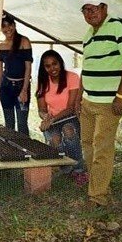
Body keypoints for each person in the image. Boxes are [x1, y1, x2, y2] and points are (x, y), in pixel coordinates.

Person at [76, 0, 122, 207]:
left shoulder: (120, 25)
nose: (89, 13)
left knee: (102, 147)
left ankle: (98, 196)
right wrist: (78, 97)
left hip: (109, 102)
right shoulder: (87, 35)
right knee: (87, 145)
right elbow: (86, 68)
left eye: (93, 8)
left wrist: (120, 96)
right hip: (88, 100)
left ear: (104, 8)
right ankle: (99, 185)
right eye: (85, 10)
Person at [36, 50, 87, 185]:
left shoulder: (72, 77)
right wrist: (46, 117)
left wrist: (52, 119)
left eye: (55, 64)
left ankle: (79, 170)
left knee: (69, 132)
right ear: (44, 68)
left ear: (60, 63)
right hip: (52, 121)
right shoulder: (42, 82)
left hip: (69, 117)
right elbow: (41, 109)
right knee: (55, 140)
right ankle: (66, 168)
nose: (52, 68)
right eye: (48, 66)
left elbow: (70, 108)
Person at [0, 13, 33, 135]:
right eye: (4, 27)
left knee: (22, 124)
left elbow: (28, 68)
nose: (7, 29)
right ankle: (10, 153)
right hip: (6, 88)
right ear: (0, 29)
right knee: (9, 124)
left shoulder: (24, 41)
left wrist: (24, 90)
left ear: (14, 25)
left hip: (21, 86)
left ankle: (26, 152)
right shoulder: (1, 46)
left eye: (9, 25)